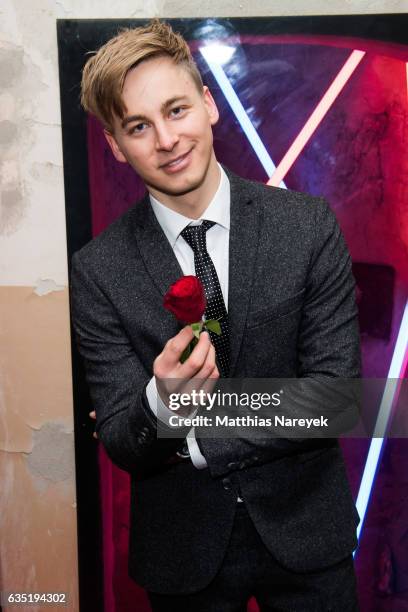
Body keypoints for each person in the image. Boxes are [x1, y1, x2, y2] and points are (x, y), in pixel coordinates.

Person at [70, 19, 361, 611]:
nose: (167, 139)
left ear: (208, 105)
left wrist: (192, 433)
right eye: (138, 127)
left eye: (176, 110)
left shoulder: (306, 226)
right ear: (116, 146)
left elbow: (334, 399)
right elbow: (124, 441)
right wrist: (158, 401)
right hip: (183, 552)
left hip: (309, 535)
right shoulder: (97, 270)